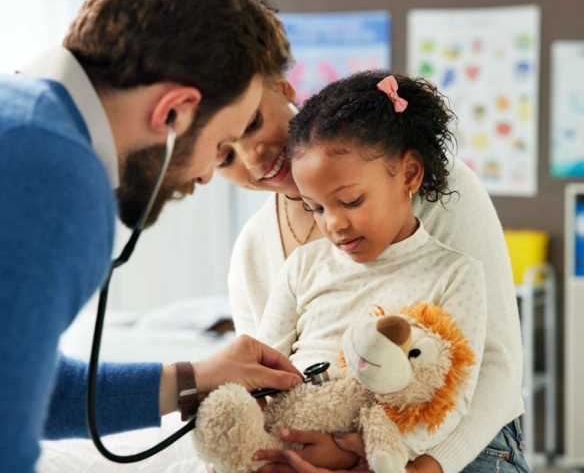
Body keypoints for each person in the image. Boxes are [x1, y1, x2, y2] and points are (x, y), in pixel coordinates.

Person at [0, 0, 305, 472]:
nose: (204, 177)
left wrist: (195, 377)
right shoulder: (49, 169)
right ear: (174, 112)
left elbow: (16, 385)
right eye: (221, 148)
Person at [220, 64, 526, 473]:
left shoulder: (440, 194)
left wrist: (411, 464)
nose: (252, 155)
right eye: (223, 153)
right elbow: (264, 381)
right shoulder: (259, 250)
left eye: (251, 122)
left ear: (280, 87)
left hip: (445, 443)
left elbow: (493, 366)